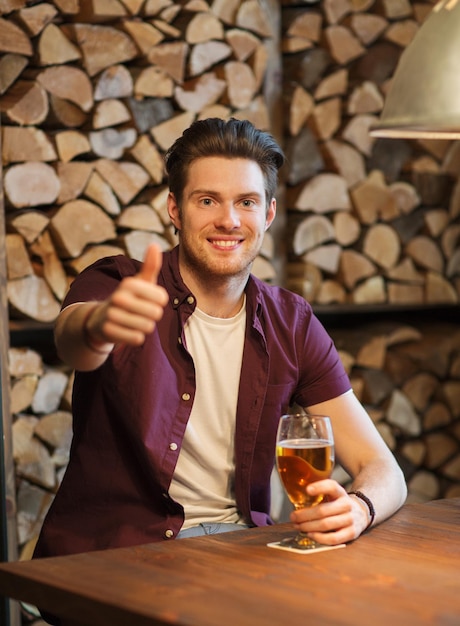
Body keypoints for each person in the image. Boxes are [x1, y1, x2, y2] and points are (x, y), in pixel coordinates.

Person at [34, 117, 406, 569]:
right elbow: (73, 340)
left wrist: (359, 508)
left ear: (268, 213)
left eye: (246, 202)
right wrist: (101, 324)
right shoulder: (117, 283)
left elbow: (384, 470)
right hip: (120, 553)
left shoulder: (291, 322)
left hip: (243, 548)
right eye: (207, 200)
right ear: (175, 209)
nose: (228, 220)